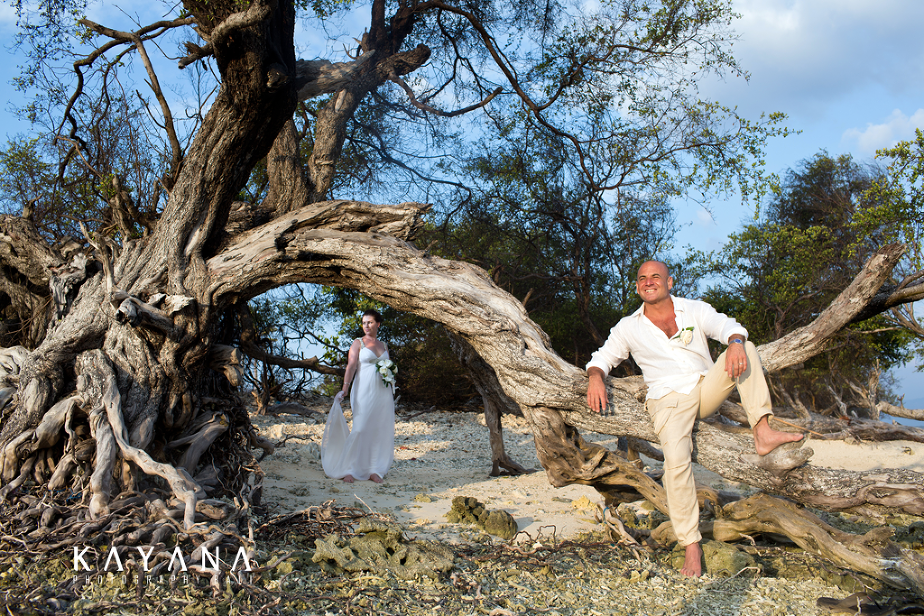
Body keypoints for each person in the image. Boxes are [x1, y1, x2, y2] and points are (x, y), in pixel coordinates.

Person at [585, 260, 803, 577]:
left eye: (655, 276)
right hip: (667, 398)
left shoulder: (694, 310)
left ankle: (763, 430)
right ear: (636, 287)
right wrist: (594, 377)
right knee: (676, 462)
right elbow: (602, 358)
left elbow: (730, 327)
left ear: (669, 283)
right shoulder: (628, 327)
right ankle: (691, 545)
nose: (649, 282)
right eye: (642, 278)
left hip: (704, 387)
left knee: (747, 347)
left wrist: (736, 343)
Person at [321, 309, 395, 484]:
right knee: (360, 428)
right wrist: (345, 388)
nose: (366, 326)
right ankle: (348, 468)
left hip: (382, 393)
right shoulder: (358, 343)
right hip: (363, 390)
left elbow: (389, 367)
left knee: (378, 430)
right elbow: (351, 366)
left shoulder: (383, 345)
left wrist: (391, 378)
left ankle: (374, 469)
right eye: (364, 323)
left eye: (370, 322)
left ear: (378, 324)